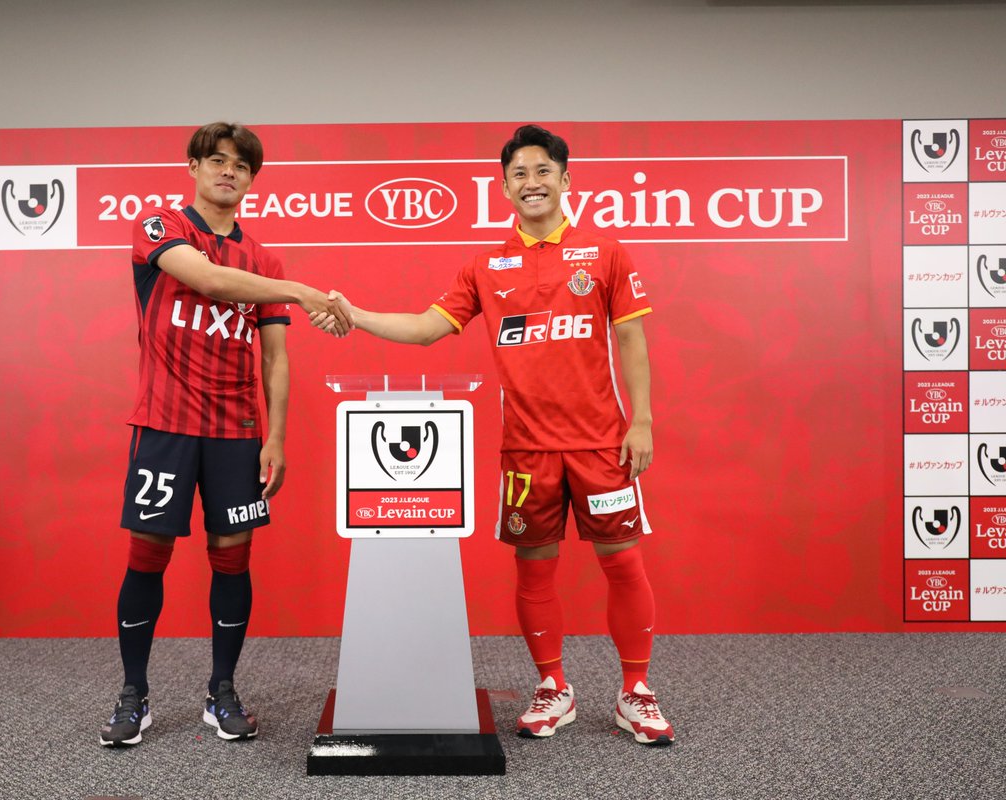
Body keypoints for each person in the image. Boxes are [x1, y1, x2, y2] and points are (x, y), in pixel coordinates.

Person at [316, 125, 674, 744]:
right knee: (535, 570)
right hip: (527, 449)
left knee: (622, 562)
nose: (531, 183)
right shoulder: (486, 265)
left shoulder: (605, 252)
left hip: (601, 443)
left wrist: (640, 421)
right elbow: (426, 328)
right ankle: (553, 686)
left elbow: (631, 339)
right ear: (504, 187)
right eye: (519, 174)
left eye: (543, 171)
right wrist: (357, 315)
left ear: (566, 180)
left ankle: (635, 692)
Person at [99, 122, 350, 747]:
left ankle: (223, 691)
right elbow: (208, 279)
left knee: (233, 557)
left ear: (251, 179)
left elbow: (276, 358)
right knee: (147, 555)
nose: (228, 172)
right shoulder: (159, 226)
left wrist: (277, 437)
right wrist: (302, 291)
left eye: (241, 165)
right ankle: (133, 694)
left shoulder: (263, 260)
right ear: (193, 166)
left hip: (236, 433)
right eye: (216, 160)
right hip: (164, 425)